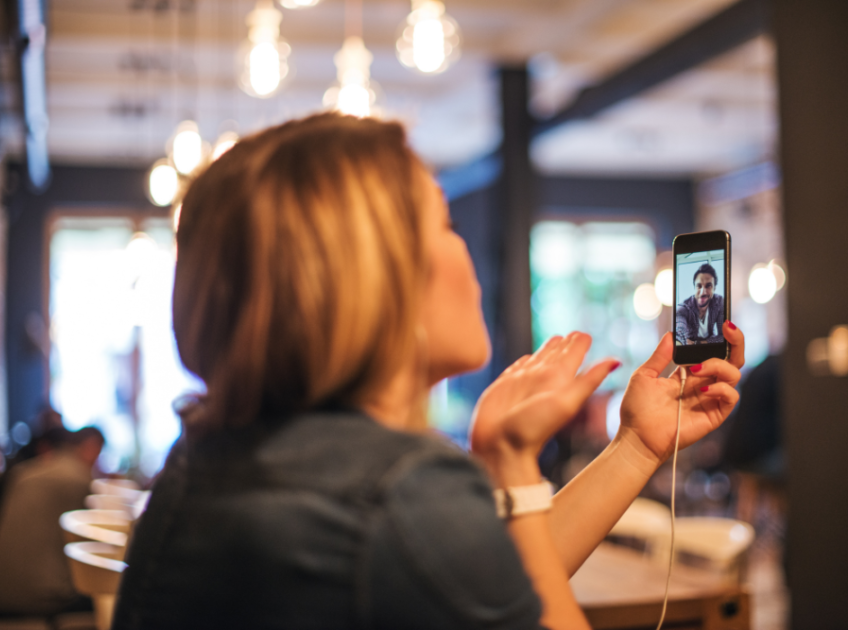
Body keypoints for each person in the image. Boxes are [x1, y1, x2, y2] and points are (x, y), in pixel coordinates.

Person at [112, 113, 745, 630]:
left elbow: (490, 587)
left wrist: (633, 446)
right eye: (442, 223)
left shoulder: (208, 463)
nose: (463, 245)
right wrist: (517, 470)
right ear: (379, 281)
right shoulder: (395, 492)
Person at [0, 426, 105, 616]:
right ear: (91, 447)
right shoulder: (78, 479)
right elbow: (93, 543)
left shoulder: (24, 472)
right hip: (42, 599)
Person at [675, 263, 726, 345]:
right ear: (694, 288)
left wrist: (698, 343)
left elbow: (723, 336)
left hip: (708, 349)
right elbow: (679, 332)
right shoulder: (683, 307)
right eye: (699, 286)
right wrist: (679, 342)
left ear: (714, 288)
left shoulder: (719, 302)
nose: (703, 292)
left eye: (708, 286)